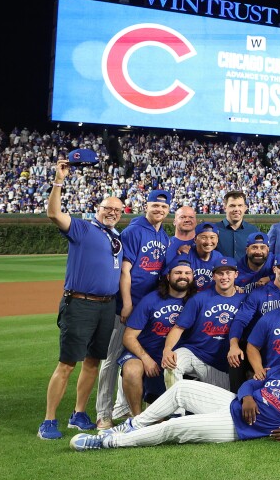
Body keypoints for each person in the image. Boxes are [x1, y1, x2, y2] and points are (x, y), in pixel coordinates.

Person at [68, 343, 280, 450]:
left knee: (173, 427)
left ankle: (110, 442)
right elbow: (250, 384)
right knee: (180, 390)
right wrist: (248, 396)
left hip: (240, 426)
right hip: (233, 403)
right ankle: (133, 424)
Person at [39, 155, 125, 440]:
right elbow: (54, 214)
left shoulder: (118, 237)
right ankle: (49, 420)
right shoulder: (83, 227)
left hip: (106, 306)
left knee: (92, 362)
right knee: (67, 363)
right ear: (97, 209)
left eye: (117, 209)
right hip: (80, 302)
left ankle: (78, 414)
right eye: (107, 207)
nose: (111, 212)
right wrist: (59, 181)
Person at [99, 186, 174, 428]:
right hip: (129, 306)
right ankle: (103, 413)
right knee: (111, 359)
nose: (159, 209)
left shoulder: (163, 235)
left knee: (131, 358)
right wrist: (127, 303)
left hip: (148, 308)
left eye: (163, 206)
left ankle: (125, 408)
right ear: (146, 206)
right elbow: (125, 270)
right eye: (155, 205)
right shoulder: (133, 231)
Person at [116, 257, 196, 423]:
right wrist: (146, 359)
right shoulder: (151, 300)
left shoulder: (197, 301)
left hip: (177, 358)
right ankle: (137, 420)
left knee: (164, 419)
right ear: (168, 276)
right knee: (131, 369)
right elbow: (128, 337)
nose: (183, 276)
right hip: (147, 353)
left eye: (187, 273)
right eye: (178, 272)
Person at [161, 256, 247, 389]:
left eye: (228, 273)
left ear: (236, 274)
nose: (224, 277)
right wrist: (167, 350)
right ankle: (176, 410)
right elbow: (178, 328)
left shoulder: (245, 300)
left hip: (220, 364)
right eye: (220, 273)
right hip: (194, 352)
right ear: (213, 276)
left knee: (224, 404)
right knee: (172, 364)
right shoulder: (199, 298)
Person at [227, 252, 280, 389]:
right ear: (274, 269)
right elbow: (240, 320)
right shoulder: (259, 293)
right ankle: (236, 400)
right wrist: (234, 345)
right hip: (259, 346)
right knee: (237, 358)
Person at [214, 190, 264, 260]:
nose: (236, 209)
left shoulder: (253, 230)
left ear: (245, 208)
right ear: (225, 208)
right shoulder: (214, 230)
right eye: (232, 206)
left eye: (240, 205)